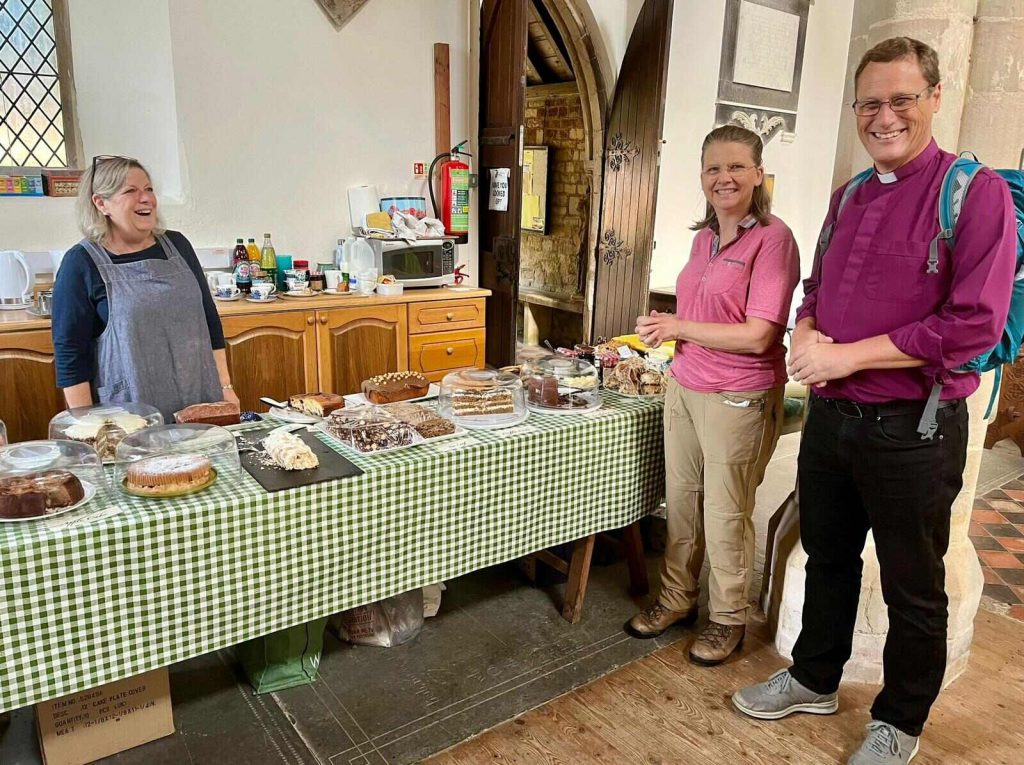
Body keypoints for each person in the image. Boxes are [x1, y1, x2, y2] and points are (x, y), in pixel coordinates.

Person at [731, 38, 1016, 765]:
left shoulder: (971, 192)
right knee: (828, 557)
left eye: (901, 99)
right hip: (833, 420)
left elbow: (973, 325)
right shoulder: (850, 195)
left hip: (912, 430)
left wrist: (844, 355)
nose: (884, 116)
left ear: (934, 98)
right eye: (870, 103)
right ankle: (814, 677)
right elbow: (818, 289)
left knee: (913, 583)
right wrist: (803, 329)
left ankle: (900, 719)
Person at [626, 125, 800, 666]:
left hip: (738, 397)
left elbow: (758, 335)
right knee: (681, 503)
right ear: (702, 177)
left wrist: (679, 326)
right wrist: (671, 330)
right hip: (685, 385)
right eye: (712, 169)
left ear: (757, 174)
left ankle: (728, 620)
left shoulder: (773, 239)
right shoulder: (704, 238)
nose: (723, 178)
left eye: (735, 167)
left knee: (727, 513)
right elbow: (705, 314)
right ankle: (677, 599)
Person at [52, 156, 238, 421]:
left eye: (149, 189)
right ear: (101, 203)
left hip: (200, 397)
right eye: (131, 191)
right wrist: (87, 424)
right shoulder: (80, 263)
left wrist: (226, 388)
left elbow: (209, 322)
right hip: (128, 413)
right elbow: (71, 355)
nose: (146, 198)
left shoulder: (178, 246)